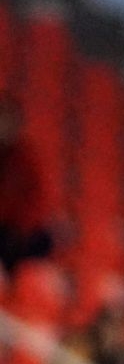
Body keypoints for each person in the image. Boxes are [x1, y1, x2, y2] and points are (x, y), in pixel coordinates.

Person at [0, 97, 52, 274]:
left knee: (43, 240)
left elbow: (35, 202)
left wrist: (20, 230)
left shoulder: (26, 158)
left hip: (12, 232)